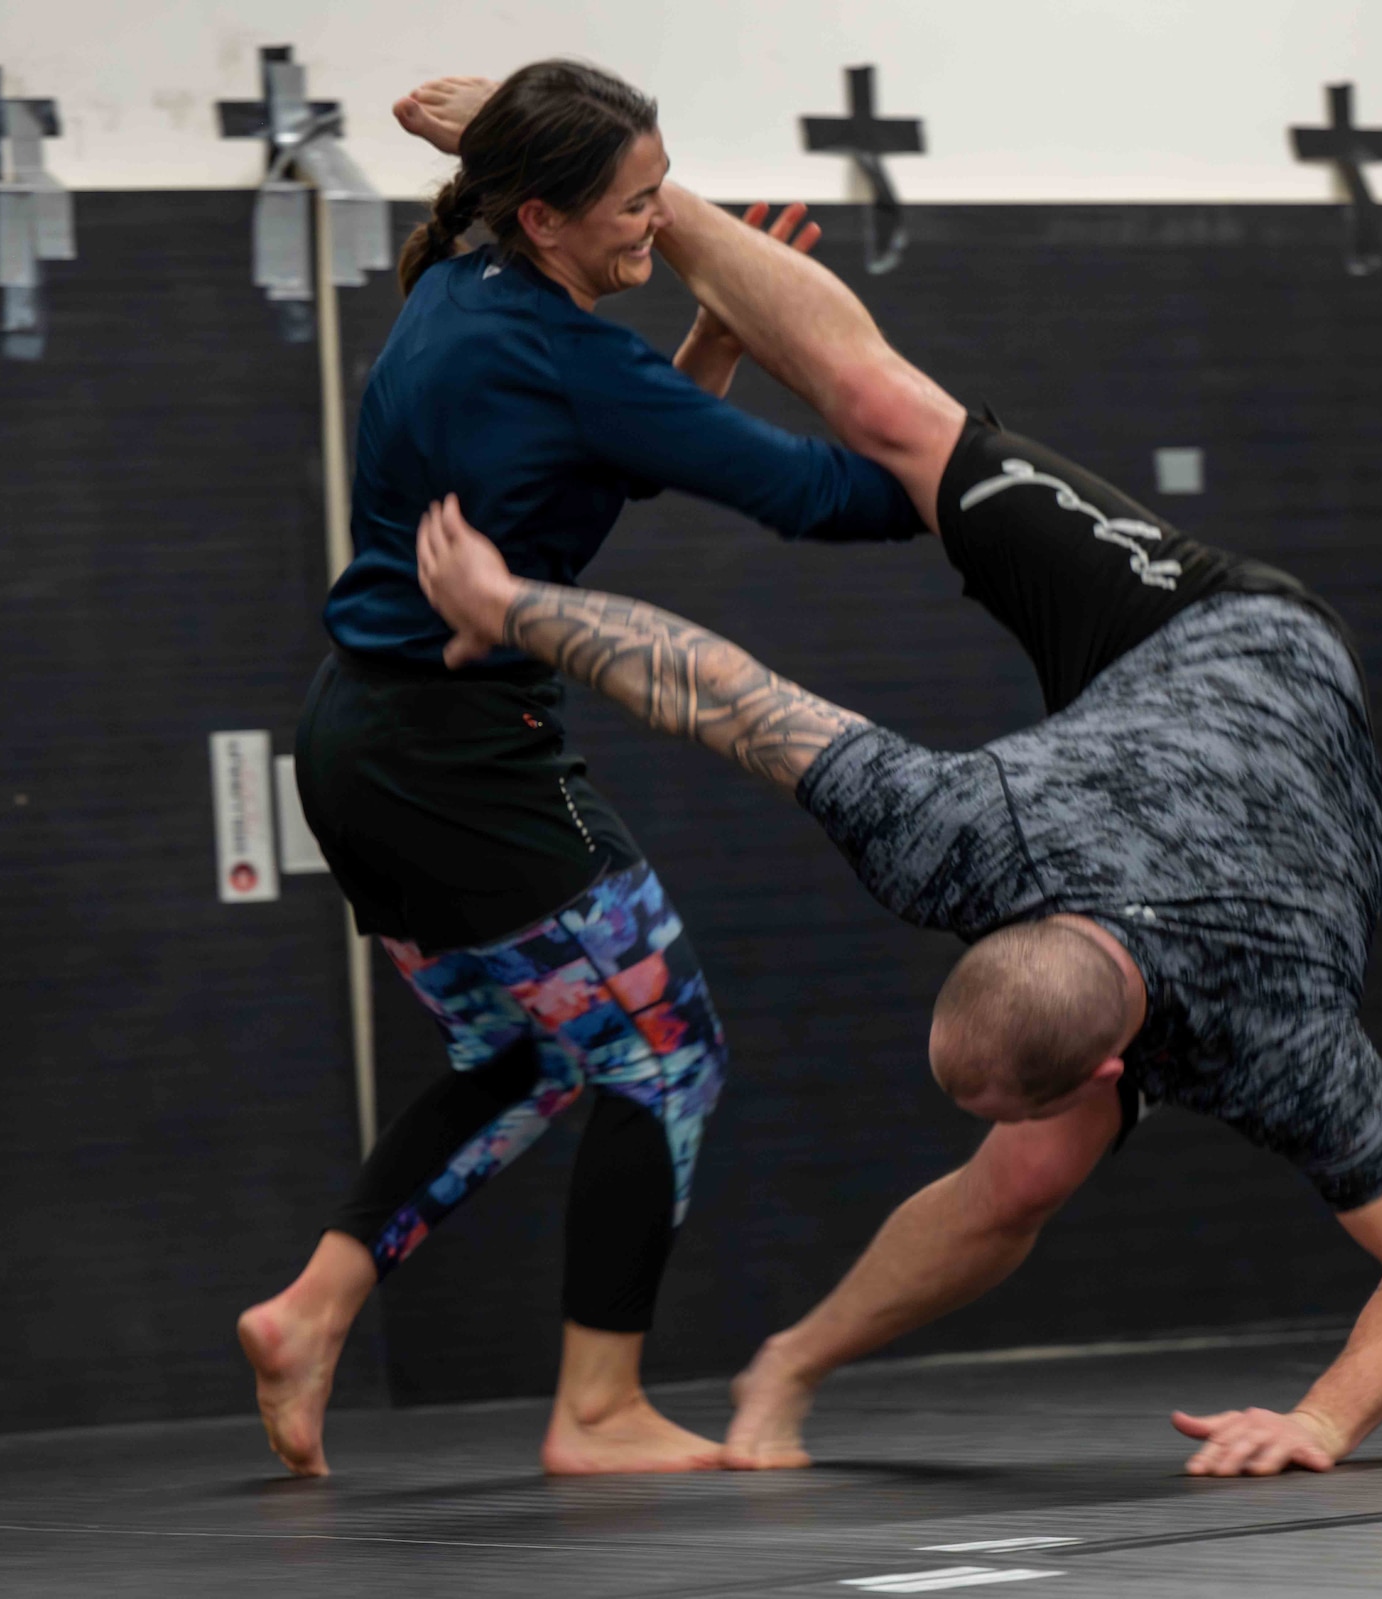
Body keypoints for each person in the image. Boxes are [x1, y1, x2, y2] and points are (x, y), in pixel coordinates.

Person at [409, 176, 1382, 1480]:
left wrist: (1320, 1422)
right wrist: (511, 602)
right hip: (1165, 678)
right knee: (888, 420)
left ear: (1116, 1074)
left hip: (1251, 684)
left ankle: (791, 1359)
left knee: (1022, 1178)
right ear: (1000, 930)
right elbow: (730, 695)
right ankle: (663, 207)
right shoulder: (959, 834)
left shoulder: (1278, 1036)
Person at [235, 61, 921, 1480]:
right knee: (670, 1052)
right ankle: (597, 1407)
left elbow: (587, 468)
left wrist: (716, 339)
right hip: (461, 759)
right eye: (633, 206)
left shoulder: (455, 295)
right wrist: (961, 472)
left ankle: (312, 1310)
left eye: (662, 194)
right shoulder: (560, 350)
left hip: (363, 746)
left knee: (532, 1050)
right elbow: (812, 494)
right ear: (542, 217)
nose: (657, 225)